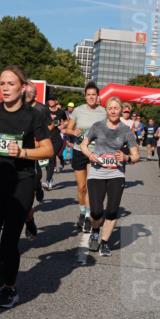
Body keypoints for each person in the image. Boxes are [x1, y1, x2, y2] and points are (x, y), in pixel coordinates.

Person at [0, 66, 53, 309]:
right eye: (2, 84)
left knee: (10, 240)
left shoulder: (33, 116)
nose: (6, 88)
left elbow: (48, 150)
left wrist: (23, 152)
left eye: (11, 84)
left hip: (21, 180)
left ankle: (10, 288)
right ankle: (7, 262)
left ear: (22, 88)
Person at [80, 96, 140, 257]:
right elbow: (83, 145)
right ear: (106, 110)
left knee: (112, 211)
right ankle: (95, 229)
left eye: (116, 108)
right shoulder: (97, 127)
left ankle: (104, 242)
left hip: (116, 173)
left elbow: (136, 156)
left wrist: (126, 158)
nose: (113, 111)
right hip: (97, 172)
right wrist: (91, 155)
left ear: (121, 110)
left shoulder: (126, 131)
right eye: (110, 108)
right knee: (97, 212)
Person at [64, 83, 107, 232]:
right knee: (81, 187)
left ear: (97, 97)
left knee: (90, 186)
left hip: (95, 152)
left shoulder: (103, 112)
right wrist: (73, 131)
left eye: (93, 95)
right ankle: (82, 212)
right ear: (85, 96)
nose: (91, 97)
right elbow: (67, 128)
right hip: (78, 150)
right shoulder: (77, 110)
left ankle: (89, 216)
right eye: (88, 94)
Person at [22, 80, 50, 239]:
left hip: (33, 154)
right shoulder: (14, 107)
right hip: (13, 156)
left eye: (30, 91)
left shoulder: (41, 109)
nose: (27, 94)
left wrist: (38, 142)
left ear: (35, 94)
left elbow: (48, 129)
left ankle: (29, 219)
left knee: (27, 198)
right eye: (25, 90)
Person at [44, 95, 67, 190]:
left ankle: (48, 180)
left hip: (56, 138)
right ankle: (50, 177)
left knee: (52, 156)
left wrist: (63, 126)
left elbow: (67, 121)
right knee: (46, 160)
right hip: (45, 137)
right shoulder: (44, 111)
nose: (50, 101)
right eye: (49, 100)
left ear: (56, 101)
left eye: (52, 100)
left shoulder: (60, 112)